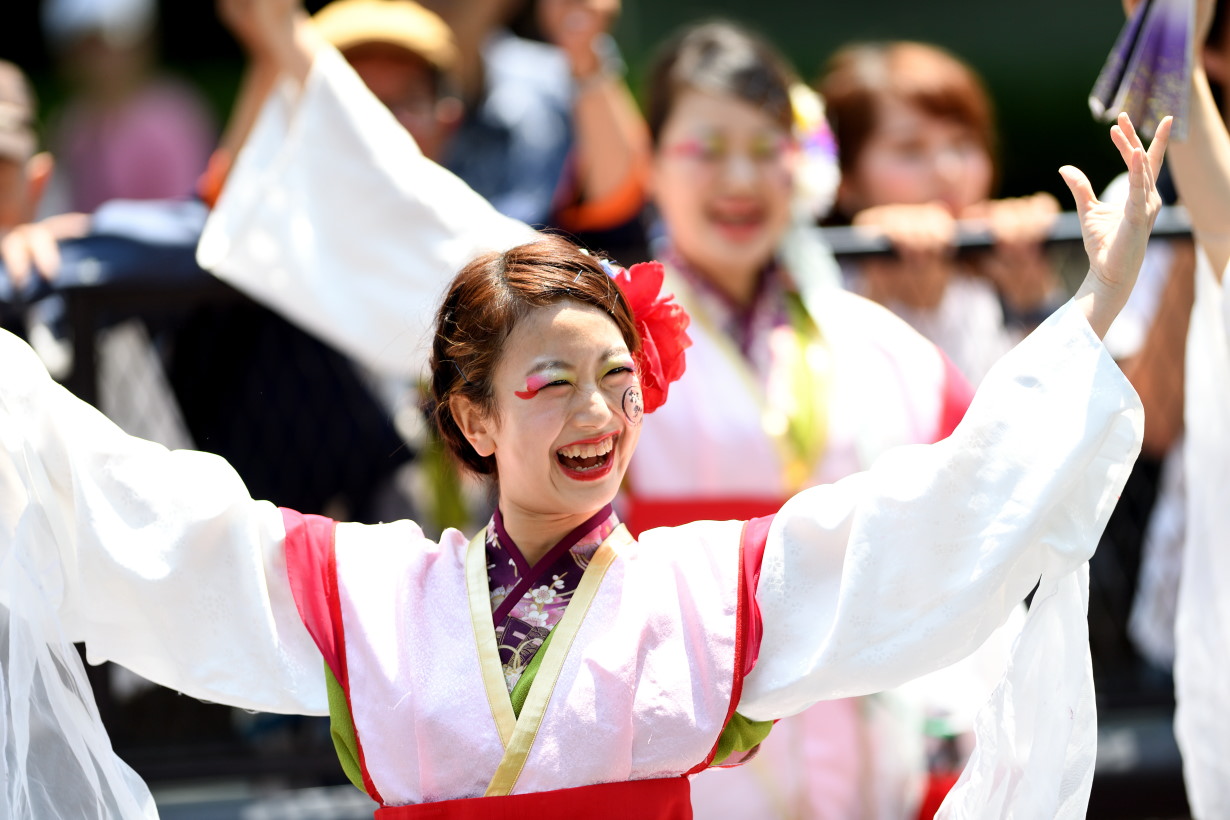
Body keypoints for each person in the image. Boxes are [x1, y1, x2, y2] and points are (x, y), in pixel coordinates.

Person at [0, 100, 1173, 820]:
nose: (598, 413)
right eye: (551, 383)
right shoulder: (369, 596)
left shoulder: (706, 591)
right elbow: (141, 515)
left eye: (619, 380)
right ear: (471, 420)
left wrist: (1087, 316)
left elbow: (931, 517)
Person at [818, 41, 1069, 386]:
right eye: (910, 150)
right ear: (844, 178)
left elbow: (1065, 421)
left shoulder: (999, 265)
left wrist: (1035, 292)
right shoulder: (809, 283)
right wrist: (874, 284)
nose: (948, 171)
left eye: (962, 144)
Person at [40, 0, 216, 214]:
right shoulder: (70, 123)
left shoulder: (174, 119)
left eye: (106, 45)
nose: (98, 60)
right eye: (85, 46)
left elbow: (185, 219)